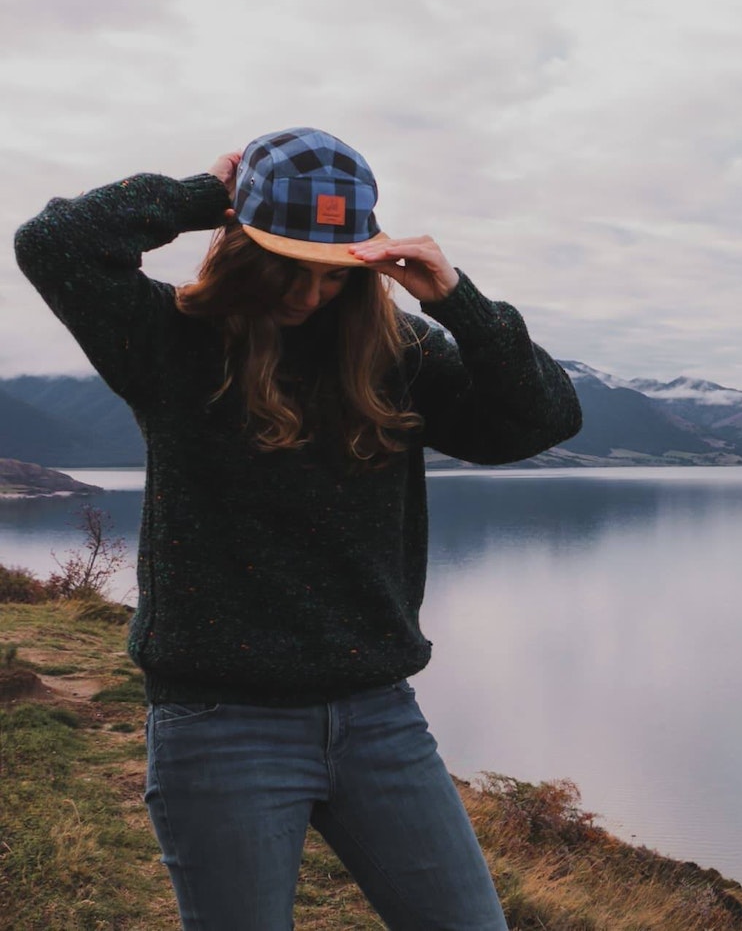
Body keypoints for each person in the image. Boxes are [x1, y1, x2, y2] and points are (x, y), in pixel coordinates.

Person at [13, 128, 583, 929]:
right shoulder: (172, 342)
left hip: (380, 717)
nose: (309, 294)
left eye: (332, 274)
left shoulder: (398, 355)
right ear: (243, 244)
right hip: (220, 725)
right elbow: (55, 242)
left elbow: (543, 418)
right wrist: (207, 189)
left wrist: (456, 299)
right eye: (288, 265)